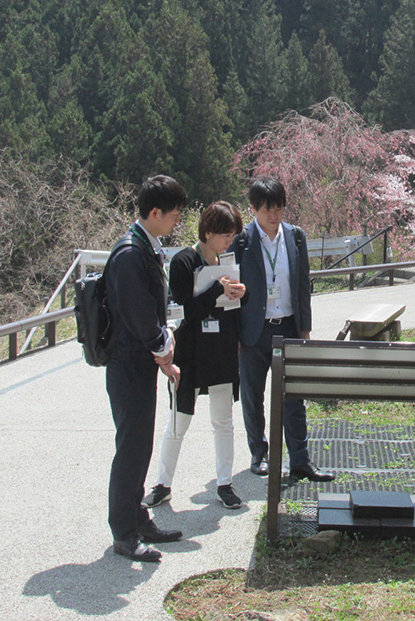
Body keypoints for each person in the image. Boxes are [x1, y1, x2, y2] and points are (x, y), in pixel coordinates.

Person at [143, 201, 247, 511]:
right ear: (208, 232)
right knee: (179, 420)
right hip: (190, 351)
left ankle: (225, 483)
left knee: (223, 420)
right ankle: (162, 484)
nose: (230, 241)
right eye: (226, 235)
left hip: (222, 349)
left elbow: (235, 303)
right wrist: (216, 290)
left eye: (232, 236)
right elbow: (183, 310)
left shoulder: (227, 259)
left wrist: (241, 292)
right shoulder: (183, 262)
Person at [104, 174, 188, 562]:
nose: (175, 222)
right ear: (154, 213)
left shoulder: (144, 246)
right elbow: (139, 318)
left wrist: (163, 352)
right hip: (128, 365)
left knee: (139, 446)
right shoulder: (129, 253)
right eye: (172, 215)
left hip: (139, 365)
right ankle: (123, 531)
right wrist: (164, 347)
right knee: (132, 448)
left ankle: (137, 518)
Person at [230, 177, 334, 482]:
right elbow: (231, 292)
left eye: (278, 208)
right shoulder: (241, 240)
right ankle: (258, 454)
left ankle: (300, 460)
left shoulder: (296, 237)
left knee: (294, 396)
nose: (273, 215)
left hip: (288, 325)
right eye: (266, 209)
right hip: (253, 330)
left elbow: (303, 287)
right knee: (253, 395)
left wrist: (305, 330)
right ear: (253, 209)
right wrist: (234, 335)